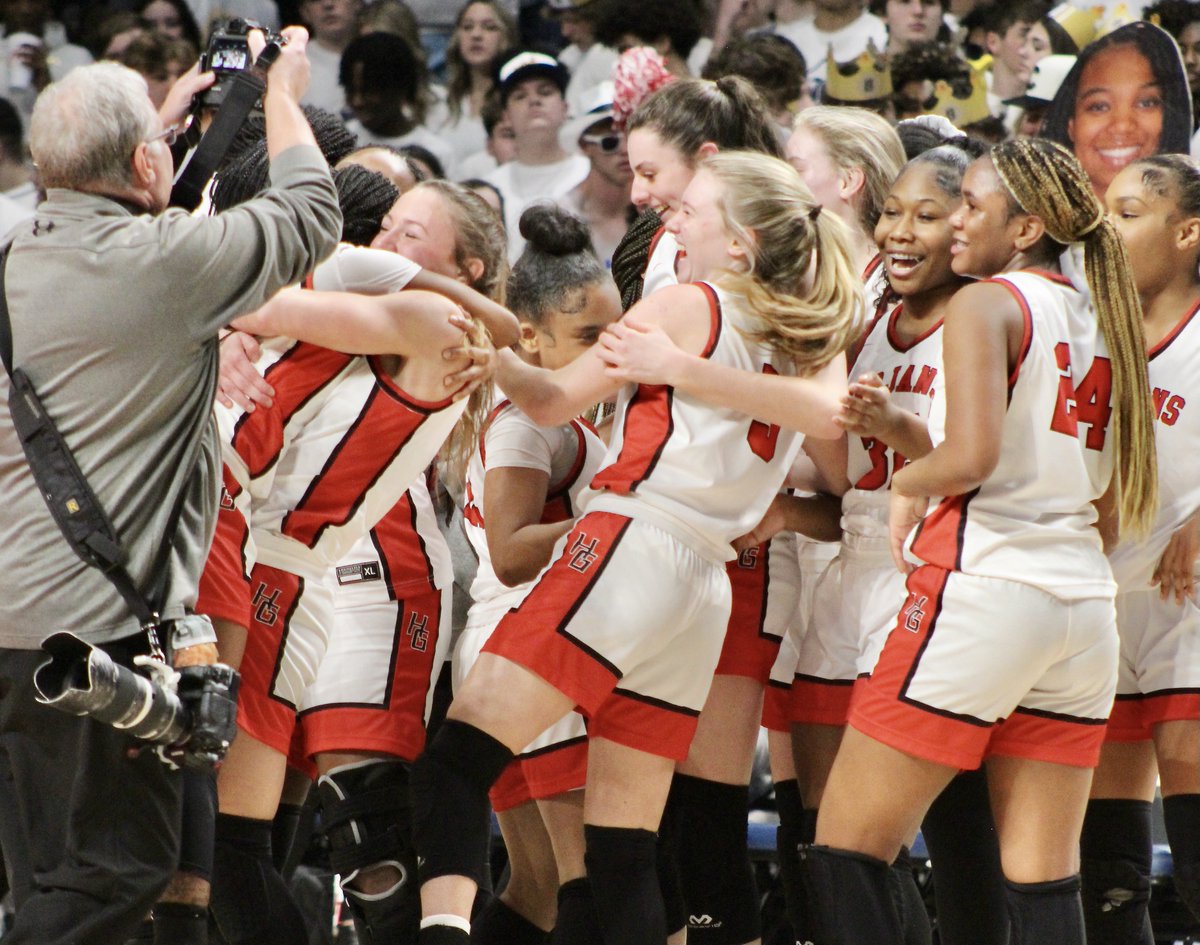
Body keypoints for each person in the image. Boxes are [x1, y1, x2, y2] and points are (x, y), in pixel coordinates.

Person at [409, 149, 862, 945]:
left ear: (743, 240)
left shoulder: (687, 303)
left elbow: (550, 401)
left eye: (693, 209)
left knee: (453, 763)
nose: (673, 219)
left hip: (631, 542)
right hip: (703, 591)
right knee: (623, 847)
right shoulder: (811, 329)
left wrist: (507, 359)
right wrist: (505, 362)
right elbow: (828, 415)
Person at [0, 31, 341, 945]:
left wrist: (155, 129)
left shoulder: (11, 245)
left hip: (8, 622)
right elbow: (312, 212)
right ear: (147, 159)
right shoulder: (168, 266)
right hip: (92, 630)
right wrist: (279, 95)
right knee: (123, 868)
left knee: (47, 875)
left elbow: (100, 186)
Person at [804, 136, 1158, 945]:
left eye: (969, 204)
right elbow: (1106, 495)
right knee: (1043, 881)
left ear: (1026, 227)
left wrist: (903, 481)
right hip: (1081, 608)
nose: (955, 222)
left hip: (984, 584)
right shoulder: (1105, 311)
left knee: (846, 846)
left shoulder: (985, 302)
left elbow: (970, 457)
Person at [457, 203, 620, 943]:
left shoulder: (562, 412)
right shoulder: (528, 420)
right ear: (529, 336)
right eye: (589, 336)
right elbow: (513, 548)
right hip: (529, 649)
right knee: (588, 879)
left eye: (616, 331)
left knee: (538, 889)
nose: (607, 349)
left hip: (503, 653)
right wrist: (614, 525)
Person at [1082, 152, 1200, 945]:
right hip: (1101, 598)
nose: (1106, 227)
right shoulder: (1087, 327)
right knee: (1111, 869)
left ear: (1187, 231)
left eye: (1128, 213)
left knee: (1193, 857)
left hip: (1187, 604)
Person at [1041, 21, 1192, 198]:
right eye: (1099, 106)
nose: (1122, 125)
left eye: (1145, 103)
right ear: (1071, 125)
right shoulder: (1025, 222)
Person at [484, 51, 589, 259]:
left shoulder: (589, 174)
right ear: (505, 116)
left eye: (545, 92)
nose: (534, 101)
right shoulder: (491, 188)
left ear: (565, 107)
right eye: (520, 96)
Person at [340, 31, 455, 177]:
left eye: (369, 91)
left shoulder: (438, 152)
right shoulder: (342, 144)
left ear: (400, 88)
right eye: (351, 91)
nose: (358, 101)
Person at [433, 0, 517, 170]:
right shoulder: (440, 100)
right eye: (467, 27)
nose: (476, 35)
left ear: (506, 36)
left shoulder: (515, 102)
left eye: (489, 27)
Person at [560, 82, 633, 268]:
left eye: (631, 138)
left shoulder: (658, 206)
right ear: (585, 146)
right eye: (610, 142)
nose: (625, 150)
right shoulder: (564, 217)